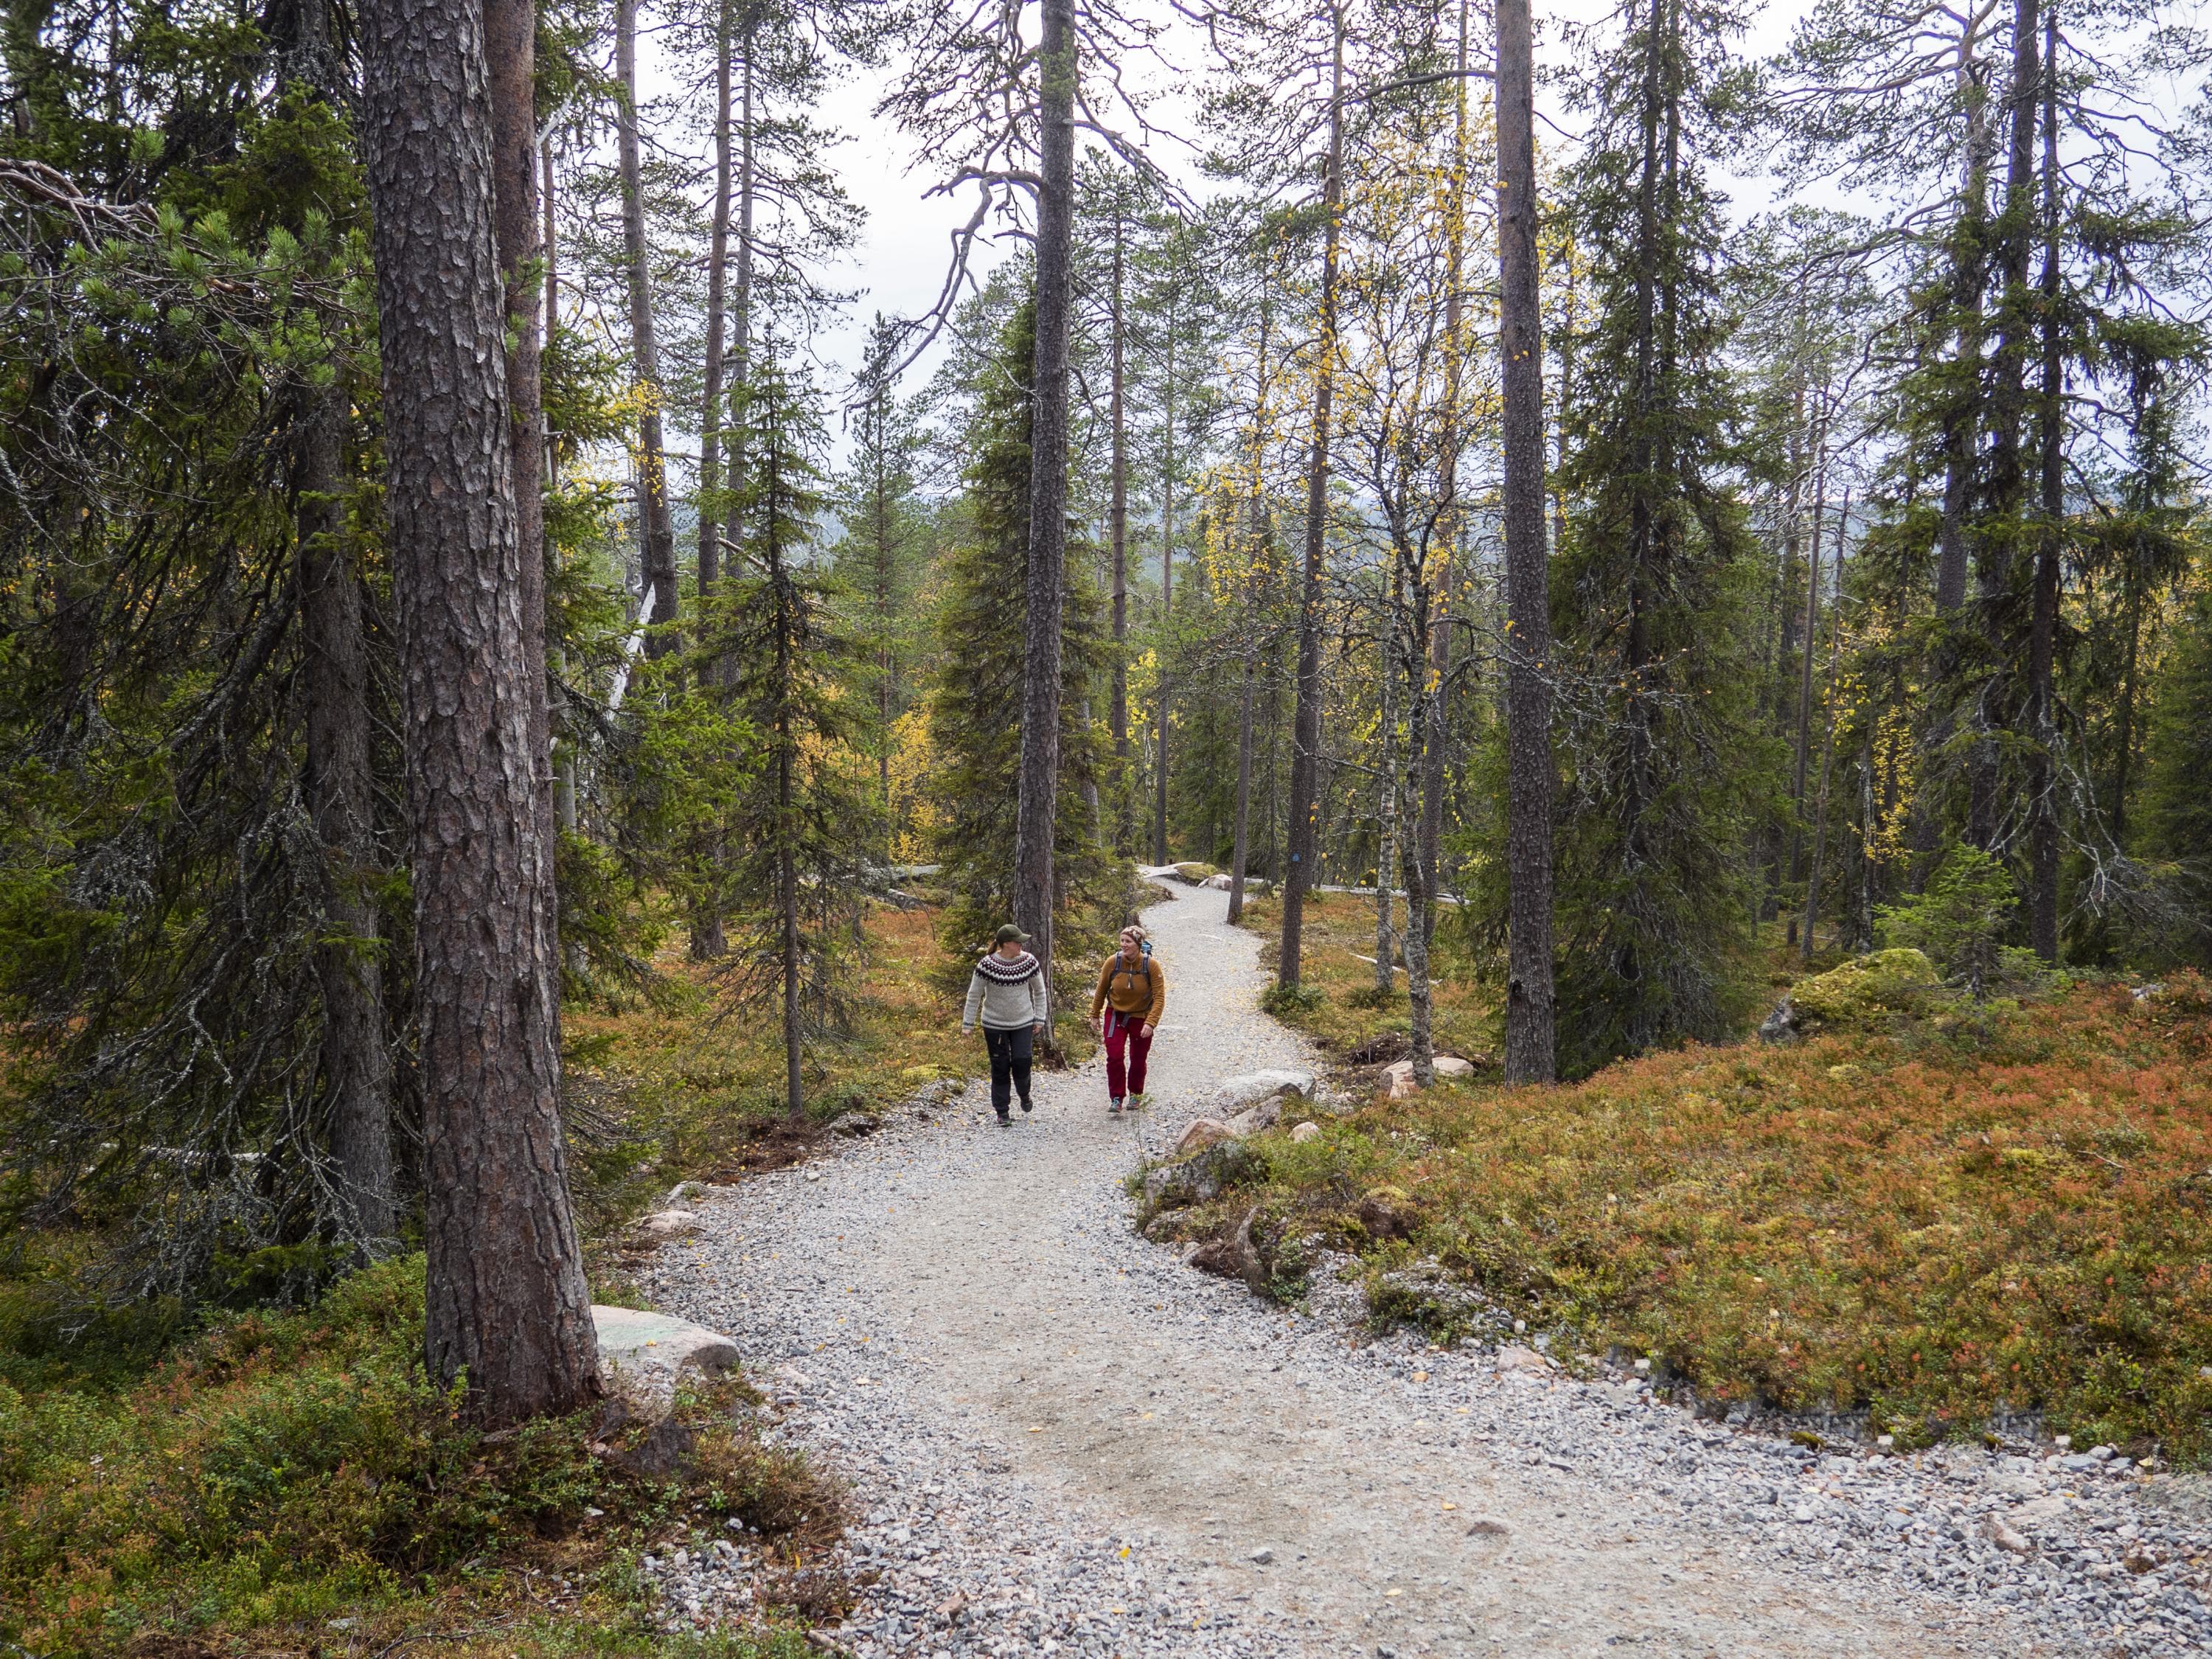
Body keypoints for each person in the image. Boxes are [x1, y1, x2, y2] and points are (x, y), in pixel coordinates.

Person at [961, 922, 1048, 1125]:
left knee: (1022, 1060)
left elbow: (1039, 991)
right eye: (1018, 942)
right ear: (1006, 944)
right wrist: (968, 1023)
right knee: (1000, 1066)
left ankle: (1024, 1093)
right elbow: (974, 995)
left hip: (1023, 1022)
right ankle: (1002, 1111)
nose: (1021, 945)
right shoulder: (987, 964)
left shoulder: (1029, 961)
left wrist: (1039, 1018)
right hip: (994, 1024)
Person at [1090, 924, 1165, 1113]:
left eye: (1128, 941)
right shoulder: (1112, 962)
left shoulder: (1151, 965)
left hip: (1141, 1017)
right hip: (1116, 1015)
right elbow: (1101, 990)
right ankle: (1116, 1097)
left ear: (1138, 944)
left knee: (1138, 1058)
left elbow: (1159, 997)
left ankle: (1135, 1094)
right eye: (1122, 941)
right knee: (1114, 1056)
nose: (1124, 945)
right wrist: (1094, 1015)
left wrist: (1151, 1022)